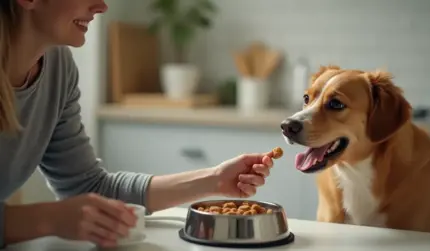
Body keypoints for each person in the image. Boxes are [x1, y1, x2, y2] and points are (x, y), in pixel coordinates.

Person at [0, 0, 276, 248]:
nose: (101, 6)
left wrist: (214, 180)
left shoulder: (60, 68)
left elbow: (90, 188)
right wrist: (48, 219)